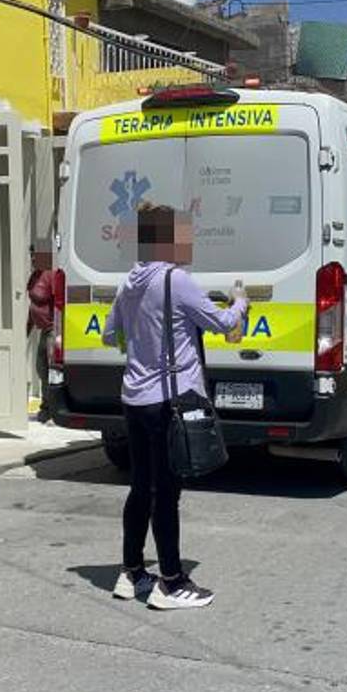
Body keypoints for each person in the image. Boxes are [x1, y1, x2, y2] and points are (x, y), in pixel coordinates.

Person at [101, 203, 248, 610]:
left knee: (140, 488)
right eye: (185, 234)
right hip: (169, 400)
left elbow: (111, 334)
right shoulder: (176, 280)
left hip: (135, 398)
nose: (190, 241)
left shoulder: (129, 282)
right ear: (165, 239)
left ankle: (131, 573)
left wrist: (144, 347)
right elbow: (220, 324)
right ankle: (171, 582)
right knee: (167, 492)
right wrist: (240, 302)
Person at [27, 251, 55, 423]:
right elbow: (32, 305)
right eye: (32, 257)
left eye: (36, 258)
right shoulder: (34, 277)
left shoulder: (50, 276)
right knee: (41, 369)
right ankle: (46, 408)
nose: (33, 260)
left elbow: (58, 301)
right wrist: (27, 329)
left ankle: (52, 410)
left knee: (52, 372)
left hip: (53, 330)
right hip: (42, 330)